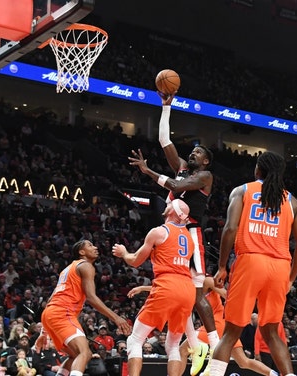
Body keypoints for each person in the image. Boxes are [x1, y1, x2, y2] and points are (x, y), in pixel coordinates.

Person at [129, 93, 218, 374]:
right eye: (192, 151)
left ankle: (213, 343)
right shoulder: (181, 168)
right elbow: (164, 141)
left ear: (205, 162)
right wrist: (166, 106)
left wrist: (148, 172)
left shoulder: (204, 177)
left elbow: (179, 188)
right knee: (184, 293)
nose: (193, 153)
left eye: (199, 152)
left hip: (191, 232)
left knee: (197, 289)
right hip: (175, 232)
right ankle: (195, 342)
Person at [207, 151, 297, 376]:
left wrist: (222, 266)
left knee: (231, 332)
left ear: (258, 170)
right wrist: (291, 278)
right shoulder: (292, 202)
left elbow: (230, 229)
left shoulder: (243, 191)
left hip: (250, 261)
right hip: (280, 266)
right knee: (272, 332)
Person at [111, 199, 196, 376]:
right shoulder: (189, 238)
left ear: (173, 212)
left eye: (170, 205)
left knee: (135, 340)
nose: (166, 205)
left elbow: (135, 261)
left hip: (167, 284)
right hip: (187, 289)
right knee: (172, 345)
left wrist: (124, 253)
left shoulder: (159, 232)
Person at [128, 276, 277, 376]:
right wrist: (142, 288)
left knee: (181, 350)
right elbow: (167, 289)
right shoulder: (188, 284)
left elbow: (228, 295)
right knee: (243, 362)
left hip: (214, 324)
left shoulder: (206, 280)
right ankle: (273, 374)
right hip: (223, 327)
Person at [40, 240, 131, 376]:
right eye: (90, 245)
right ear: (81, 252)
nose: (95, 247)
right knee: (84, 353)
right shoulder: (86, 266)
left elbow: (50, 299)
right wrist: (116, 318)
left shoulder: (68, 269)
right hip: (63, 312)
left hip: (51, 313)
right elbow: (91, 297)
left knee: (76, 355)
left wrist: (44, 331)